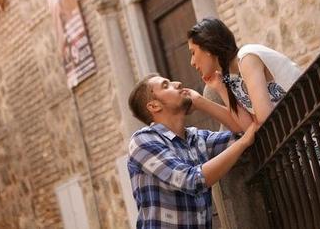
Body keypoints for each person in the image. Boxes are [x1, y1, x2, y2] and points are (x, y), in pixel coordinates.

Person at [127, 74, 258, 229]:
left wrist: (202, 102)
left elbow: (245, 130)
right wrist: (243, 141)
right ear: (154, 106)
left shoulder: (196, 138)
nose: (178, 83)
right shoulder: (143, 140)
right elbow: (191, 180)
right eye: (166, 85)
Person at [187, 18, 302, 131]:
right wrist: (220, 87)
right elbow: (249, 128)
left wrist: (256, 124)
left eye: (193, 52)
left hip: (312, 125)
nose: (192, 62)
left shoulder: (247, 57)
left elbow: (265, 119)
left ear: (207, 48)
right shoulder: (231, 78)